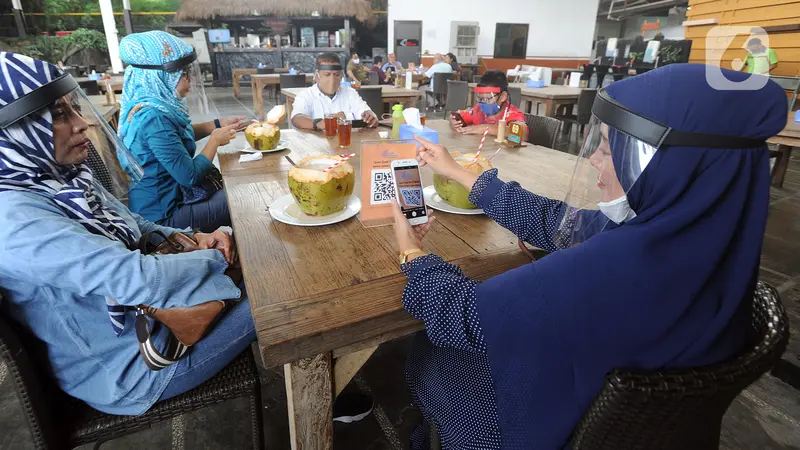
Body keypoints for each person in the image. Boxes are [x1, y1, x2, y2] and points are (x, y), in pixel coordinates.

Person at [391, 64, 787, 449]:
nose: (595, 160)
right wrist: (462, 175)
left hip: (561, 424)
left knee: (429, 347)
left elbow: (462, 314)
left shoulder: (607, 271)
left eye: (608, 149)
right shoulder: (705, 237)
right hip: (648, 426)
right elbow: (560, 223)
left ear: (672, 164)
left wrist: (411, 252)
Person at [0, 52, 253, 416]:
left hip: (161, 315)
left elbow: (139, 225)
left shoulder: (58, 179)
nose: (83, 122)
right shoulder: (16, 223)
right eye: (58, 115)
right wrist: (215, 256)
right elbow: (139, 280)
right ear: (10, 132)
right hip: (136, 366)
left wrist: (193, 238)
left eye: (73, 108)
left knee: (264, 267)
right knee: (283, 303)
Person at [118, 31, 244, 233]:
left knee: (235, 188)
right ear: (161, 77)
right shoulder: (153, 118)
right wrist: (214, 141)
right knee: (242, 198)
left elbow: (173, 142)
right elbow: (190, 176)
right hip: (162, 218)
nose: (189, 80)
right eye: (183, 74)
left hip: (168, 201)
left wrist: (217, 124)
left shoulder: (149, 107)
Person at [291, 53, 379, 131]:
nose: (332, 79)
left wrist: (369, 116)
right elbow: (297, 118)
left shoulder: (350, 93)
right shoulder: (306, 95)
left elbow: (364, 110)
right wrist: (321, 123)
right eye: (327, 74)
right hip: (317, 145)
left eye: (336, 75)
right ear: (317, 76)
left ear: (341, 76)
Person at [450, 70, 528, 140]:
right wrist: (454, 121)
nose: (483, 103)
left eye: (487, 99)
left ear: (503, 97)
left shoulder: (512, 114)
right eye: (480, 99)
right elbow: (459, 115)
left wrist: (486, 128)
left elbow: (524, 134)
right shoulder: (478, 110)